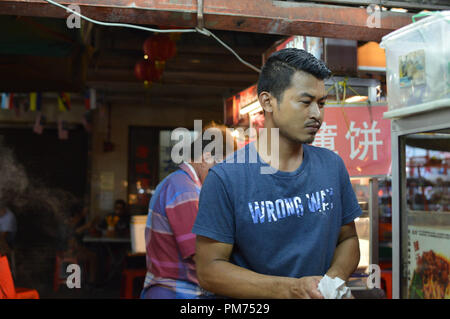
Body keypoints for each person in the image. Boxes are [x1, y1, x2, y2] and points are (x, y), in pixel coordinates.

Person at [192, 48, 362, 299]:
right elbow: (209, 270)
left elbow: (348, 239)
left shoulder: (332, 166)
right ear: (268, 101)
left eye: (322, 103)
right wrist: (290, 289)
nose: (317, 114)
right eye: (305, 102)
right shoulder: (226, 178)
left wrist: (329, 285)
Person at [140, 122, 237, 299]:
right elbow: (201, 255)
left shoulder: (184, 184)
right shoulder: (185, 190)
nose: (226, 177)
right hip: (174, 292)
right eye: (224, 168)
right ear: (206, 158)